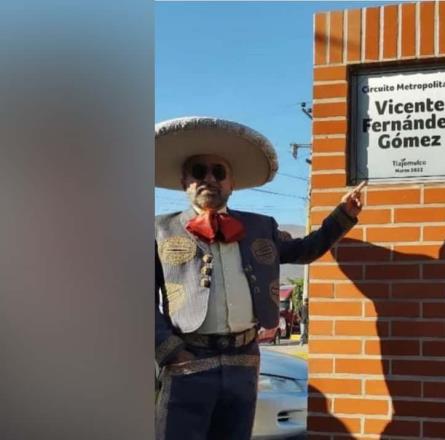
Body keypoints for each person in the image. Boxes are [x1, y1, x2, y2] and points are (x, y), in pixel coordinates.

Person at [154, 116, 364, 440]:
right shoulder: (159, 230)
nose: (209, 178)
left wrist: (343, 216)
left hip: (243, 361)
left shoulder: (259, 227)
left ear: (231, 183)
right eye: (199, 171)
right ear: (185, 180)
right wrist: (169, 351)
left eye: (219, 172)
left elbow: (304, 250)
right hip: (188, 363)